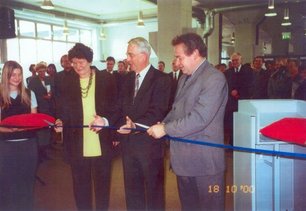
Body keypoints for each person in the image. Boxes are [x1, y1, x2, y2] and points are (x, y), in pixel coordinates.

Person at [147, 32, 228, 210]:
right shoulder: (184, 77)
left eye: (179, 57)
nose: (177, 62)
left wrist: (166, 129)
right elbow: (177, 111)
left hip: (205, 164)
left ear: (195, 53)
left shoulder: (214, 78)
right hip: (183, 162)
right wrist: (158, 123)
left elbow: (199, 118)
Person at [54, 43, 117, 211]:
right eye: (73, 62)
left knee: (102, 184)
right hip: (77, 142)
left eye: (81, 61)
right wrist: (60, 121)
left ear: (89, 61)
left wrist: (105, 120)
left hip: (100, 139)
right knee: (80, 186)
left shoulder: (106, 79)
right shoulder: (66, 82)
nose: (77, 66)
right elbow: (62, 109)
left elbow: (116, 108)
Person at [116, 37, 171, 210]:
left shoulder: (162, 79)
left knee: (154, 193)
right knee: (132, 191)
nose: (127, 59)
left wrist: (135, 126)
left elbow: (158, 110)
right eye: (127, 55)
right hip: (128, 146)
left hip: (150, 146)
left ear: (144, 55)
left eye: (130, 55)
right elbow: (120, 108)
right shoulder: (126, 79)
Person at [0, 60, 38, 211]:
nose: (17, 78)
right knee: (7, 183)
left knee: (27, 182)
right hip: (6, 147)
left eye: (19, 74)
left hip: (28, 145)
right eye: (13, 75)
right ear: (6, 76)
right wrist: (10, 131)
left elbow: (34, 120)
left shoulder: (29, 94)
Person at [28, 61, 54, 162]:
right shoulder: (33, 80)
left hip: (48, 108)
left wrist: (51, 94)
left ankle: (45, 151)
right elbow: (30, 94)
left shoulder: (48, 79)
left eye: (44, 71)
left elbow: (52, 91)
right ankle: (39, 153)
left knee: (47, 130)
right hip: (38, 109)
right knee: (40, 132)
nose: (42, 73)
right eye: (40, 71)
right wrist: (43, 96)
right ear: (37, 71)